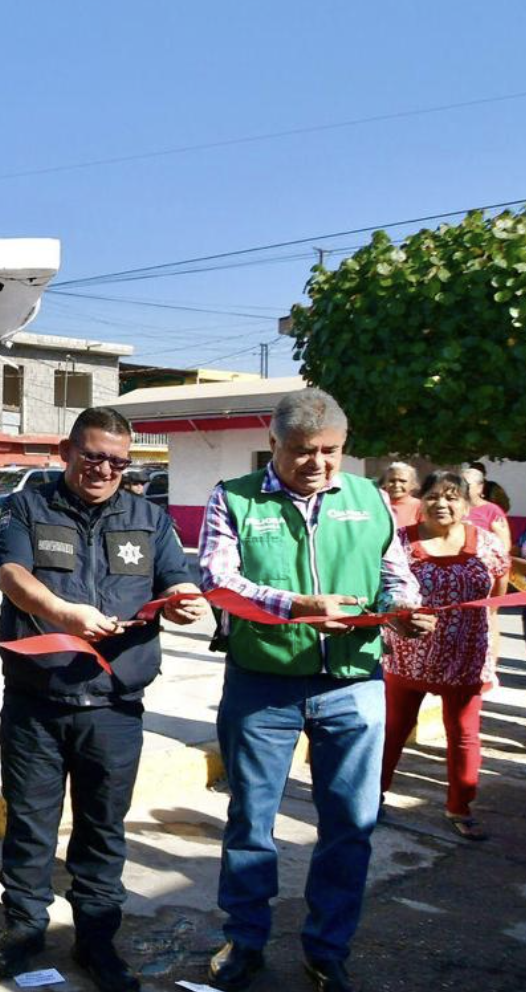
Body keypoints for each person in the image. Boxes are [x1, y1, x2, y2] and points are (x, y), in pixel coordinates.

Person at [198, 388, 433, 992]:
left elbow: (392, 574)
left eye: (330, 451)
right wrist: (294, 606)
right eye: (303, 451)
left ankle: (328, 950)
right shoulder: (234, 499)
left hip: (353, 685)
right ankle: (245, 941)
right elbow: (218, 581)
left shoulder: (370, 498)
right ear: (273, 443)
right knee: (251, 822)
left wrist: (404, 610)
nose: (318, 463)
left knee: (351, 825)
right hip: (263, 683)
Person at [0, 407, 205, 992]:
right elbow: (11, 575)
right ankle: (25, 930)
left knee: (103, 829)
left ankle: (98, 940)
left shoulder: (148, 518)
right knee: (30, 826)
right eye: (93, 456)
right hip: (38, 701)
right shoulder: (24, 508)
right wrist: (63, 613)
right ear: (66, 451)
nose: (104, 468)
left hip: (114, 706)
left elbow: (175, 578)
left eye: (117, 461)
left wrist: (183, 596)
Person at [379, 471, 509, 840]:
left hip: (467, 657)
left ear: (467, 504)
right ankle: (371, 798)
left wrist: (492, 657)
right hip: (407, 657)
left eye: (452, 496)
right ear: (422, 502)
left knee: (464, 735)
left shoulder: (486, 544)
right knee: (392, 731)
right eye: (434, 496)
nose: (442, 503)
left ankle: (460, 807)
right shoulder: (399, 544)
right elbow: (382, 590)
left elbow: (494, 602)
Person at [460, 466, 511, 548]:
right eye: (459, 484)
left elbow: (505, 545)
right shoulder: (454, 507)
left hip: (480, 558)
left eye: (466, 485)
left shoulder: (492, 511)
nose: (461, 488)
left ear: (480, 487)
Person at [377, 462, 420, 528]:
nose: (396, 485)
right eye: (392, 481)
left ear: (413, 484)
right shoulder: (376, 505)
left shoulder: (420, 507)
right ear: (384, 483)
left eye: (402, 481)